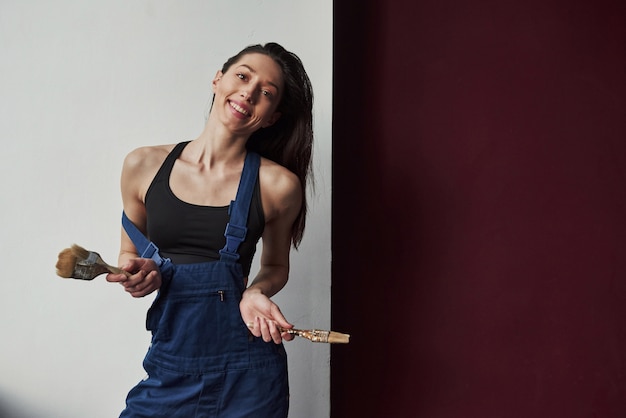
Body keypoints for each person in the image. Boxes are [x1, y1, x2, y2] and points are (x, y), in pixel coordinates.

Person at [105, 42, 314, 417]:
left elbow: (275, 268)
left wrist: (256, 292)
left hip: (249, 378)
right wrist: (136, 274)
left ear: (271, 116)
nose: (249, 92)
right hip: (170, 364)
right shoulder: (142, 165)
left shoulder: (278, 186)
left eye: (266, 93)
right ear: (218, 80)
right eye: (242, 75)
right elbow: (129, 255)